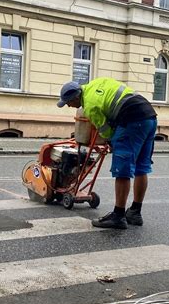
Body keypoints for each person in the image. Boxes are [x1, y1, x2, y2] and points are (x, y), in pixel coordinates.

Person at [57, 77, 157, 229]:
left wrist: (112, 142)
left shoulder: (90, 105)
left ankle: (118, 216)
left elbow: (105, 131)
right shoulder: (96, 84)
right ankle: (135, 213)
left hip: (131, 119)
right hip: (149, 116)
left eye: (69, 102)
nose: (70, 106)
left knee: (122, 169)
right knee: (141, 168)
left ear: (76, 97)